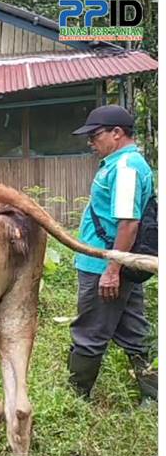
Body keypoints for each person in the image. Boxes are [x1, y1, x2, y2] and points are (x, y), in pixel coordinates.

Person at [68, 104, 157, 404]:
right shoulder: (121, 164)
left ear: (117, 133)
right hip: (119, 264)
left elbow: (128, 223)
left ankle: (75, 401)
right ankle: (154, 397)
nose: (91, 142)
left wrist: (111, 270)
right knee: (135, 333)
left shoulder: (126, 168)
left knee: (89, 333)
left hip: (104, 266)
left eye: (95, 135)